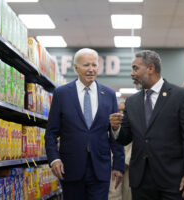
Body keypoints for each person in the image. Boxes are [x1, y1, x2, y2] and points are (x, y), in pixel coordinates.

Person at [109, 50, 184, 200]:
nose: (132, 73)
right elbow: (125, 138)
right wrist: (116, 128)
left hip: (173, 179)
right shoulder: (131, 102)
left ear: (151, 68)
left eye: (135, 68)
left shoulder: (180, 96)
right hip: (141, 181)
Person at [45, 48, 125, 200]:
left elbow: (115, 132)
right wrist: (54, 159)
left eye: (94, 65)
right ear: (76, 68)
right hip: (71, 168)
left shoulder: (108, 95)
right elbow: (51, 133)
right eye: (86, 65)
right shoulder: (61, 94)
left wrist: (119, 165)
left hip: (100, 168)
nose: (91, 69)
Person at [108, 102, 132, 200]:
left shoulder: (131, 126)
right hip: (112, 168)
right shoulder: (110, 127)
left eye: (123, 110)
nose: (120, 113)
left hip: (128, 168)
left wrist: (123, 162)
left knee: (127, 194)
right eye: (118, 110)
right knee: (114, 194)